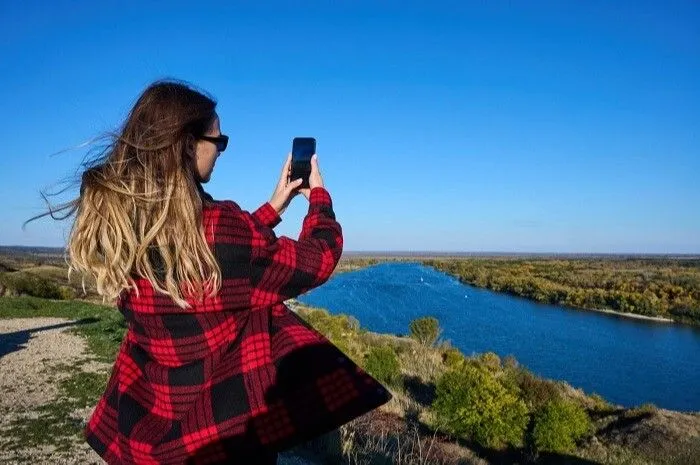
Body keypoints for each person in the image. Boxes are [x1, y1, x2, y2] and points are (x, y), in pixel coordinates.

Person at [32, 79, 392, 464]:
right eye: (218, 141)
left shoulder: (124, 226)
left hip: (151, 421)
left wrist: (273, 207)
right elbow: (317, 258)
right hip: (221, 429)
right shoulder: (220, 230)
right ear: (188, 143)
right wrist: (319, 198)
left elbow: (212, 256)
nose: (221, 152)